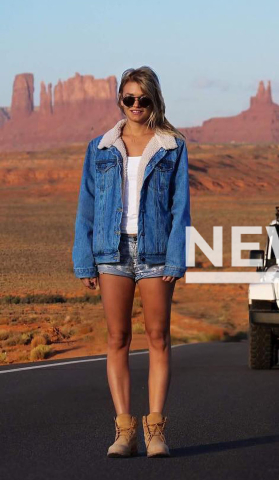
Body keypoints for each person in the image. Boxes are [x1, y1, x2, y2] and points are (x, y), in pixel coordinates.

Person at [72, 66, 191, 458]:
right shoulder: (100, 147)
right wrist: (84, 259)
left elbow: (180, 208)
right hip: (111, 251)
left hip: (156, 251)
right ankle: (124, 431)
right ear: (120, 100)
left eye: (143, 98)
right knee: (117, 338)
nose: (136, 105)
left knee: (158, 338)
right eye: (129, 98)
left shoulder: (172, 145)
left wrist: (177, 257)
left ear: (154, 100)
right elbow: (86, 207)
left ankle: (156, 429)